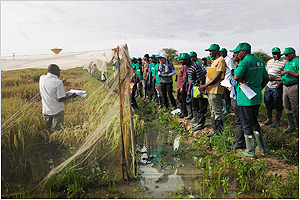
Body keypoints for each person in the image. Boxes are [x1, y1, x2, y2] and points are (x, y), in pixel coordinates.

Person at [233, 42, 269, 158]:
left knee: (246, 123)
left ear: (244, 51)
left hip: (245, 98)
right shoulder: (260, 61)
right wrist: (258, 88)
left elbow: (237, 77)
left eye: (238, 52)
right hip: (256, 96)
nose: (237, 54)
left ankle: (250, 151)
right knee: (254, 121)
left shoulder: (245, 62)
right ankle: (261, 147)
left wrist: (242, 82)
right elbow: (266, 78)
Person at [39, 64, 77, 131]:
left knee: (47, 130)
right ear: (55, 72)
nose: (59, 72)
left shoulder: (42, 78)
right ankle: (55, 141)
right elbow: (61, 99)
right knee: (56, 131)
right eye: (59, 71)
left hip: (46, 111)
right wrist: (71, 96)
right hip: (57, 112)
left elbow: (50, 84)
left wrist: (61, 83)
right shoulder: (58, 83)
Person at [199, 44, 226, 137]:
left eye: (211, 51)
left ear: (216, 51)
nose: (209, 53)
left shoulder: (221, 60)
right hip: (210, 90)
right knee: (213, 111)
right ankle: (215, 131)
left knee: (217, 111)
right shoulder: (214, 61)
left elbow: (218, 76)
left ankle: (218, 133)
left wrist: (205, 85)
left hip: (216, 90)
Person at [263, 47, 287, 127]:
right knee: (267, 101)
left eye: (277, 53)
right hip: (269, 85)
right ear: (272, 54)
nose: (276, 55)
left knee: (278, 102)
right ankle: (269, 118)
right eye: (274, 54)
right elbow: (266, 72)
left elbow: (285, 75)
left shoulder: (284, 62)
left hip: (277, 85)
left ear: (280, 53)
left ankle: (277, 121)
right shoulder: (269, 62)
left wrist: (280, 82)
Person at [184, 53, 208, 131]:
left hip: (200, 87)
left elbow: (201, 79)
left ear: (187, 60)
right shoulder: (188, 67)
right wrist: (189, 90)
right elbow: (191, 79)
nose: (180, 61)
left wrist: (200, 91)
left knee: (201, 106)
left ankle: (201, 124)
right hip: (194, 88)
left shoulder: (195, 66)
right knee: (195, 105)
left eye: (181, 60)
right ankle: (197, 122)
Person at [280, 47, 299, 136]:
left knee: (296, 108)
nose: (285, 57)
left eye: (287, 55)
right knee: (286, 106)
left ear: (292, 53)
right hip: (285, 86)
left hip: (294, 86)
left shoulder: (297, 61)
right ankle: (291, 126)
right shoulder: (288, 63)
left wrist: (288, 72)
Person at [229, 50, 245, 149]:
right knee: (239, 120)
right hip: (236, 96)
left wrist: (232, 80)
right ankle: (239, 140)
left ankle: (240, 143)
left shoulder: (241, 67)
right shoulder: (237, 67)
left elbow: (236, 80)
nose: (233, 56)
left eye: (235, 54)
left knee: (240, 121)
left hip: (239, 97)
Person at [220, 48, 235, 115]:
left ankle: (227, 109)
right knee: (223, 95)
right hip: (223, 80)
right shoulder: (222, 60)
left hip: (227, 80)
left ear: (226, 53)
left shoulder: (228, 59)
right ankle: (224, 108)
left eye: (222, 53)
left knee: (226, 96)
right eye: (220, 53)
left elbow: (232, 70)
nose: (221, 54)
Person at [176, 53, 189, 118]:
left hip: (182, 86)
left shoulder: (185, 67)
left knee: (183, 100)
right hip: (180, 85)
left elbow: (185, 77)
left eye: (181, 60)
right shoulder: (183, 66)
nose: (179, 61)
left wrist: (182, 87)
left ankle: (184, 113)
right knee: (180, 99)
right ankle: (182, 112)